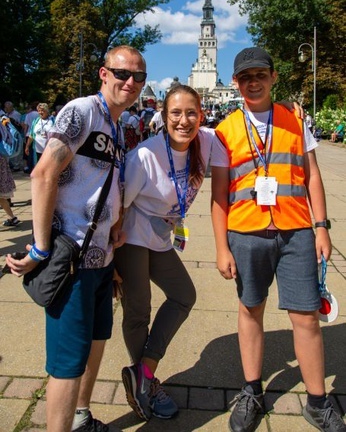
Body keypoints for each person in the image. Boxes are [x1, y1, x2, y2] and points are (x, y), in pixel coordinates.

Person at [6, 45, 147, 432]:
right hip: (71, 259)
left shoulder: (117, 125)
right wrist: (39, 247)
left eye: (139, 76)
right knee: (68, 363)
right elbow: (42, 174)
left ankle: (81, 418)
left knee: (97, 341)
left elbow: (101, 186)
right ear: (104, 74)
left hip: (100, 261)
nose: (130, 82)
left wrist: (114, 233)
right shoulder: (82, 111)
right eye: (122, 73)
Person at [210, 47, 346, 432]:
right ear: (236, 83)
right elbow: (219, 194)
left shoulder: (294, 119)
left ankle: (317, 402)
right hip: (247, 232)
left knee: (305, 316)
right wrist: (221, 247)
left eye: (260, 75)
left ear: (273, 77)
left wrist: (321, 226)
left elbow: (312, 176)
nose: (253, 82)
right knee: (251, 309)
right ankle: (252, 391)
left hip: (297, 231)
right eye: (245, 77)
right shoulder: (226, 130)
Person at [114, 84, 215, 421]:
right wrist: (112, 262)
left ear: (201, 115)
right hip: (130, 237)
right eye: (176, 113)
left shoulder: (206, 143)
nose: (183, 120)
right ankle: (147, 384)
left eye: (191, 113)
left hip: (161, 235)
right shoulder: (144, 155)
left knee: (183, 295)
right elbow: (117, 211)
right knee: (138, 309)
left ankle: (142, 370)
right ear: (163, 116)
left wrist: (290, 109)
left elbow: (244, 126)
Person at [22, 101, 39, 173]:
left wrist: (24, 134)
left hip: (28, 134)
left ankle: (29, 167)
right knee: (36, 152)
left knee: (29, 152)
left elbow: (26, 126)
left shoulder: (28, 115)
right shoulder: (39, 114)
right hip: (37, 135)